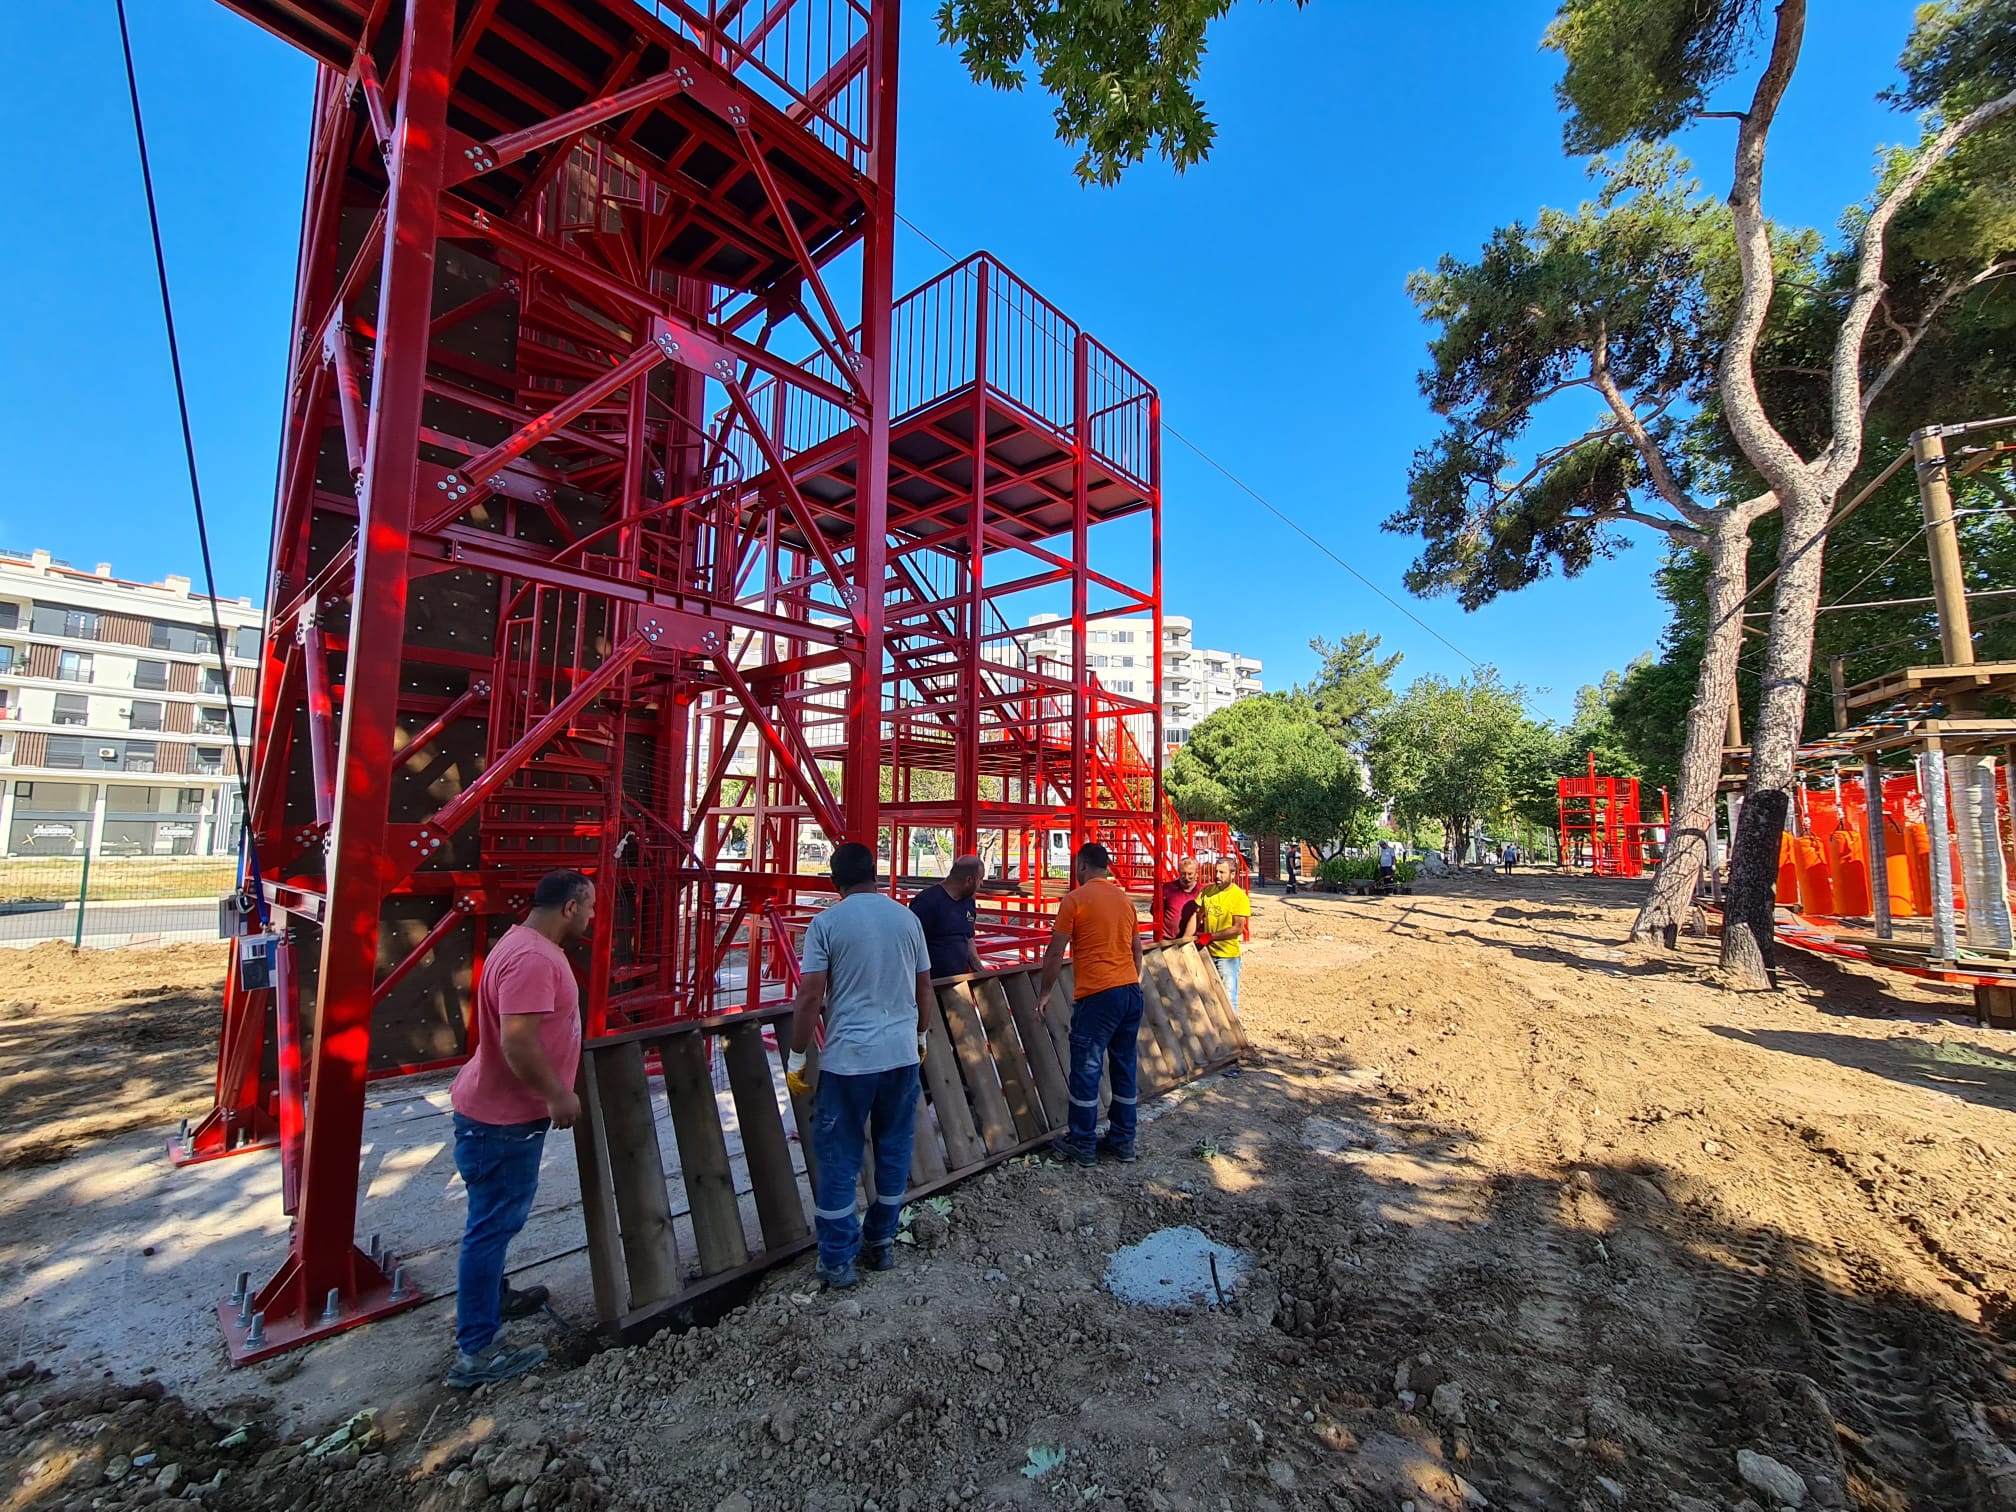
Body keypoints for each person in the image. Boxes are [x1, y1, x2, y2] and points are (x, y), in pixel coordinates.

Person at [445, 869, 594, 1389]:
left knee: (494, 1223)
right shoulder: (532, 958)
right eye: (591, 907)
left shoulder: (521, 943)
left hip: (497, 1115)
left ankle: (494, 1300)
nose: (594, 917)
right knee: (490, 1229)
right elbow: (518, 1041)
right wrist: (557, 1093)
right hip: (500, 1121)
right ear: (570, 907)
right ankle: (477, 1352)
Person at [785, 842, 933, 1288]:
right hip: (901, 1057)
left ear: (835, 882)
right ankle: (881, 1244)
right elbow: (924, 986)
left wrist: (796, 1057)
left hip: (849, 1061)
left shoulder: (826, 923)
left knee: (839, 1156)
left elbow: (810, 996)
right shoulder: (907, 919)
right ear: (876, 873)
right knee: (893, 1151)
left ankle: (836, 1260)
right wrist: (921, 1035)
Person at [1041, 843, 1145, 1167]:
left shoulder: (1075, 900)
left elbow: (1056, 952)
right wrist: (1130, 981)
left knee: (1087, 1069)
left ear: (1083, 866)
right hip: (1130, 991)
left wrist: (1044, 993)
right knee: (1124, 1066)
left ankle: (1083, 1142)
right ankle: (1123, 1141)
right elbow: (1137, 949)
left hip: (1098, 995)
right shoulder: (1124, 900)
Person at [909, 855, 984, 979]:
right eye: (980, 879)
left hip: (959, 981)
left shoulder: (968, 901)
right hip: (932, 983)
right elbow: (911, 943)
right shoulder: (927, 902)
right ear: (969, 880)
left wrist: (981, 971)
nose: (982, 884)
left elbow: (968, 937)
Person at [1197, 857, 1252, 1012]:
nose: (1217, 875)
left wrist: (1210, 936)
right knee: (1208, 995)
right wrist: (1195, 933)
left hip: (1227, 955)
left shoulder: (1239, 897)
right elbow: (1197, 914)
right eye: (1216, 871)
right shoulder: (1207, 892)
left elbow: (1238, 928)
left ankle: (1233, 1033)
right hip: (1207, 952)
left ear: (1233, 874)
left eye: (1222, 872)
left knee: (1228, 997)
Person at [1158, 855, 1202, 942]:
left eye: (1190, 874)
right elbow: (1156, 911)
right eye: (1183, 874)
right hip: (1167, 938)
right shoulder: (1167, 888)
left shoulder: (1202, 892)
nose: (1186, 877)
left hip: (1192, 939)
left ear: (1197, 873)